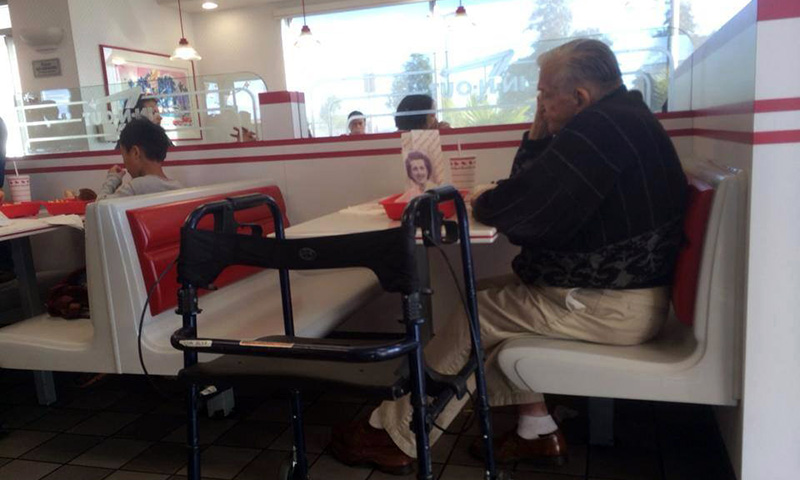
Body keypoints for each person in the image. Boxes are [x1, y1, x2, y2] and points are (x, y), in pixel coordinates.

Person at [331, 39, 687, 473]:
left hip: (611, 305)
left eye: (543, 95)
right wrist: (538, 134)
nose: (539, 104)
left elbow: (516, 211)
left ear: (579, 97)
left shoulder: (600, 129)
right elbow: (529, 192)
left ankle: (398, 435)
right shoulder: (621, 118)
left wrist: (492, 198)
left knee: (476, 314)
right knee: (481, 298)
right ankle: (536, 428)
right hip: (622, 294)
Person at [99, 118, 183, 199]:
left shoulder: (135, 188)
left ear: (135, 153)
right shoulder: (178, 188)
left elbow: (98, 208)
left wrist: (113, 178)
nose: (125, 164)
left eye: (123, 156)